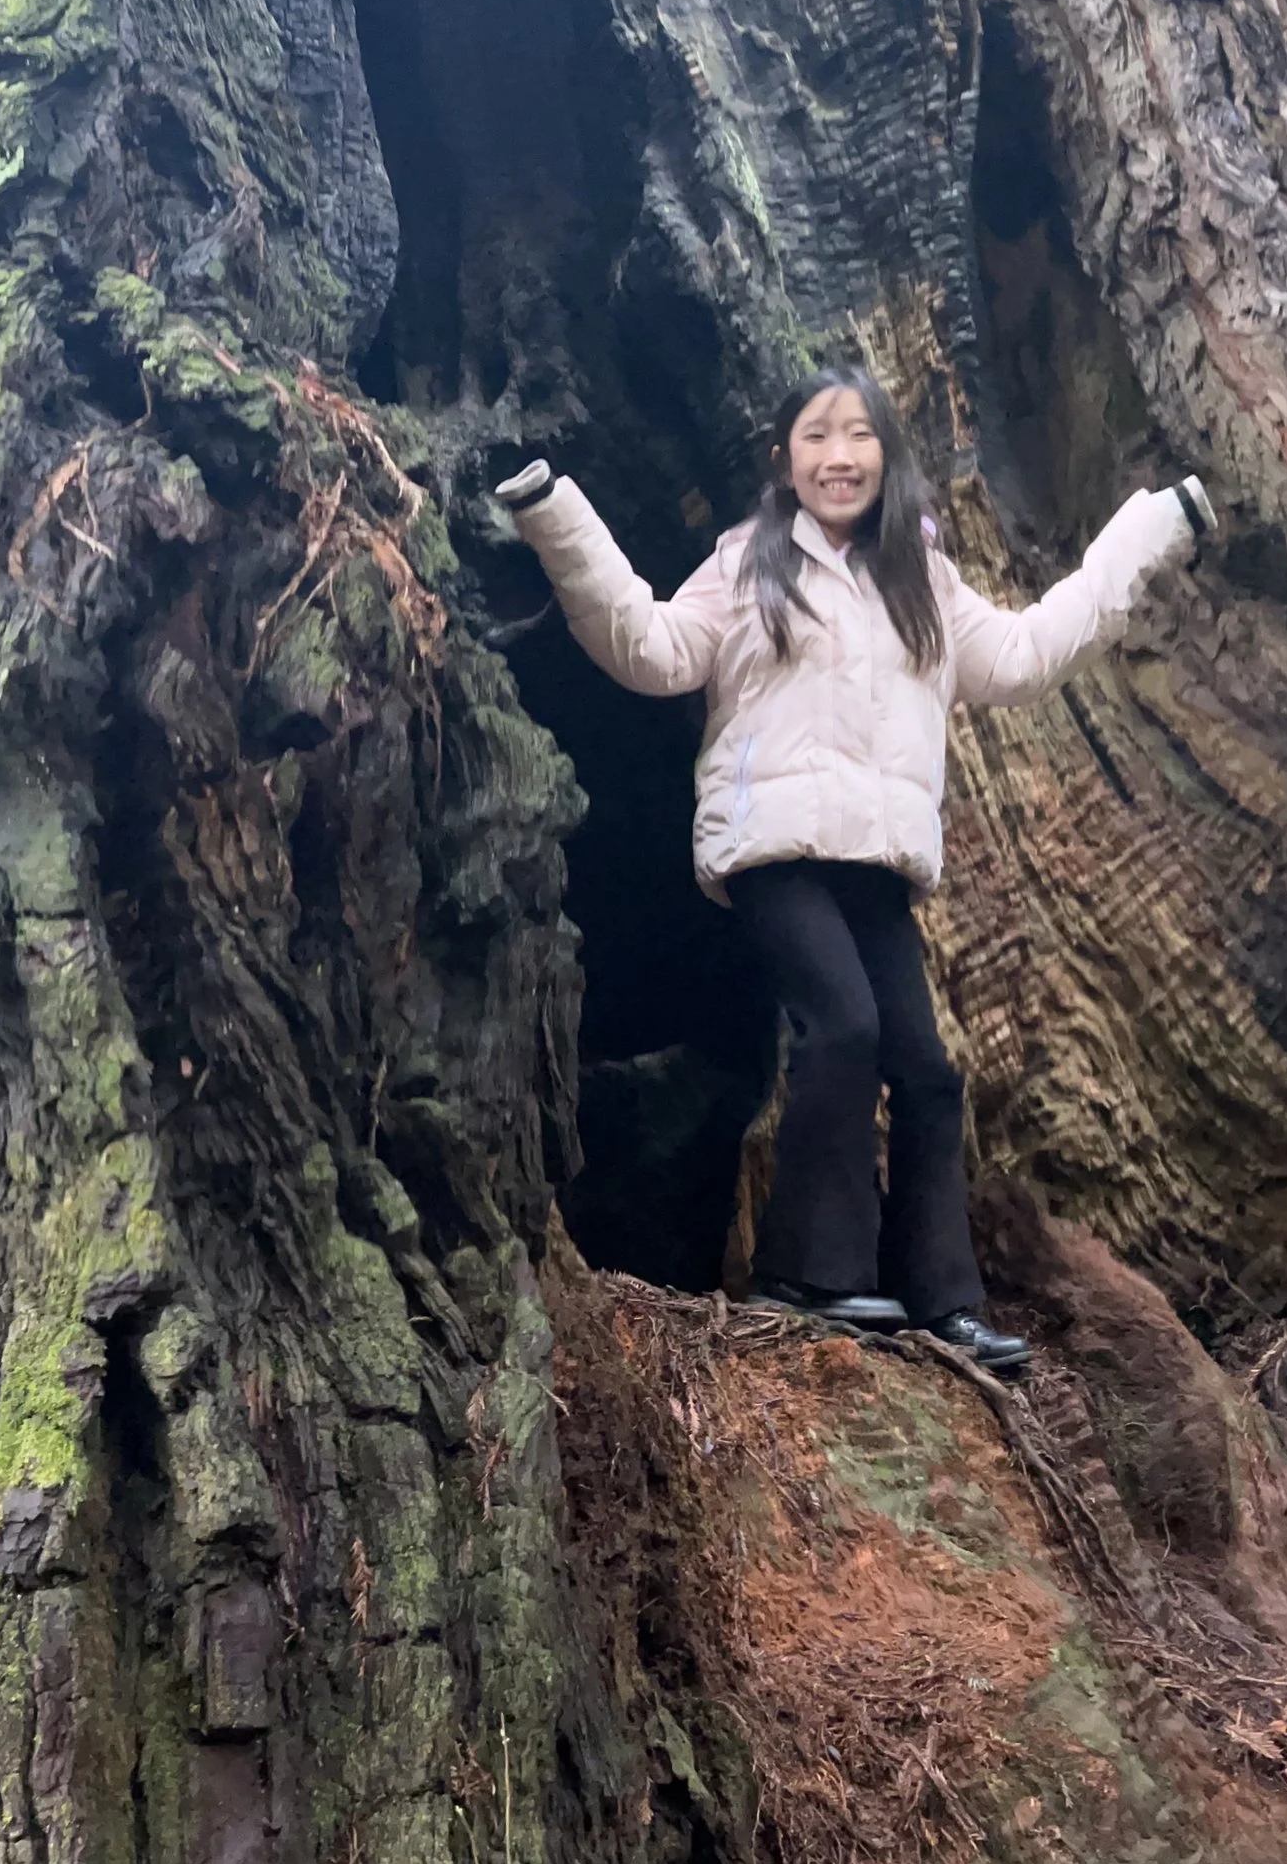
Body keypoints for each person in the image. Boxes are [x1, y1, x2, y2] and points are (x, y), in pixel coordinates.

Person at [492, 369, 1214, 1367]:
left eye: (860, 435)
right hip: (775, 849)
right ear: (784, 459)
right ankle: (806, 1273)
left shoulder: (922, 580)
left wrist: (1151, 530)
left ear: (887, 456)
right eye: (816, 435)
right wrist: (553, 514)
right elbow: (652, 647)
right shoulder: (748, 564)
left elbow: (1026, 653)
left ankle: (940, 1296)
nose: (840, 454)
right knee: (843, 1027)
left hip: (877, 862)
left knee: (926, 1071)